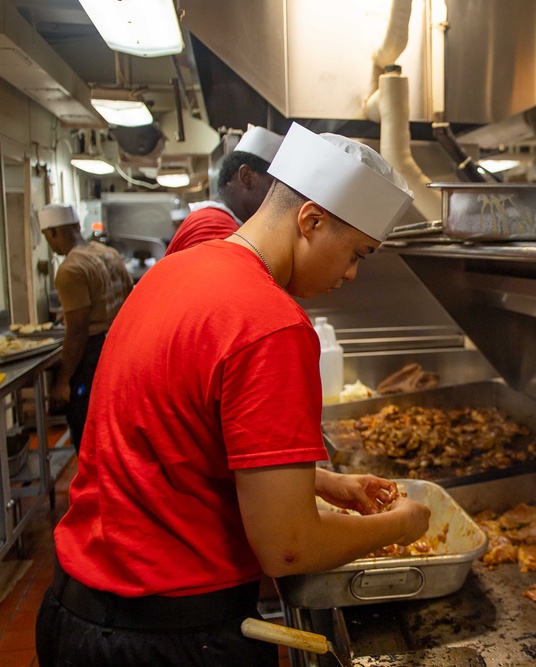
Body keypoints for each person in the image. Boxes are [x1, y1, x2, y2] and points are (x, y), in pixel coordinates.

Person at [36, 123, 427, 667]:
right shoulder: (271, 324)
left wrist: (322, 481)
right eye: (357, 252)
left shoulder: (176, 271)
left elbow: (173, 441)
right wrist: (403, 525)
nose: (353, 274)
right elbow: (287, 546)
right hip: (170, 639)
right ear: (311, 220)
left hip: (78, 614)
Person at [38, 203, 133, 453]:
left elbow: (78, 331)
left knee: (88, 433)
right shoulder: (108, 253)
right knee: (115, 432)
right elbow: (129, 298)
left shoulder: (70, 269)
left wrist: (63, 381)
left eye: (47, 236)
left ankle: (93, 490)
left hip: (92, 357)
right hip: (120, 348)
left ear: (54, 232)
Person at [164, 124, 284, 255]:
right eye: (274, 186)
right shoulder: (214, 231)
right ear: (246, 177)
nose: (279, 199)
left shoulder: (215, 222)